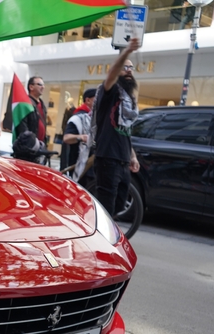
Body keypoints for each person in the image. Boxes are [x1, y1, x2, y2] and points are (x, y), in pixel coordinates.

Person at [92, 37, 140, 216]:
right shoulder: (109, 92)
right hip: (107, 158)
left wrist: (133, 156)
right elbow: (112, 73)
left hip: (123, 161)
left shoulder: (129, 101)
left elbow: (126, 133)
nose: (128, 71)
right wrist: (127, 51)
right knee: (107, 208)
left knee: (119, 205)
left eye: (131, 68)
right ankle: (102, 242)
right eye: (124, 67)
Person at [3, 76, 48, 144]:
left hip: (41, 145)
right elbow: (23, 127)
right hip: (30, 146)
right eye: (40, 84)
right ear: (31, 87)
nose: (43, 87)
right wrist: (30, 142)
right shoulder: (25, 104)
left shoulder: (42, 105)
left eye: (43, 85)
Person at [62, 88, 96, 170]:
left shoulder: (94, 117)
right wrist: (82, 137)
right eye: (97, 99)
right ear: (88, 100)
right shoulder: (78, 118)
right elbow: (67, 138)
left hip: (91, 165)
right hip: (79, 166)